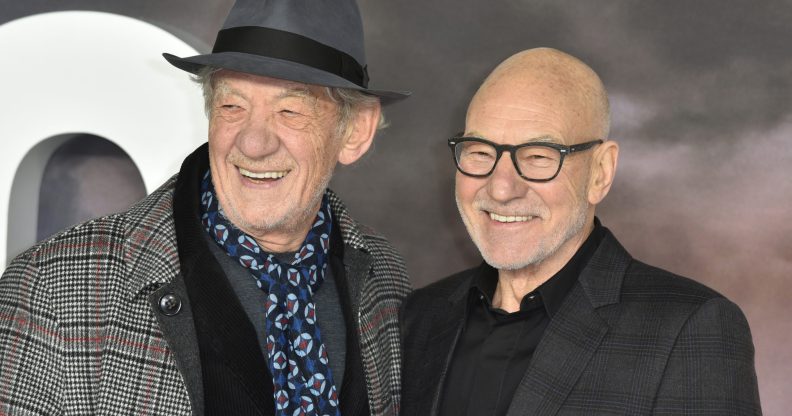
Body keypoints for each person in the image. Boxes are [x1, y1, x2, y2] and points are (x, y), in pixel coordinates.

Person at [0, 1, 411, 415]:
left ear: (356, 130)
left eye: (290, 110)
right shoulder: (53, 290)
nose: (253, 144)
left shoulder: (386, 279)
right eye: (233, 106)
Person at [400, 48, 761, 415]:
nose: (501, 189)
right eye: (479, 152)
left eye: (538, 156)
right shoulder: (416, 318)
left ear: (601, 172)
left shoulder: (690, 329)